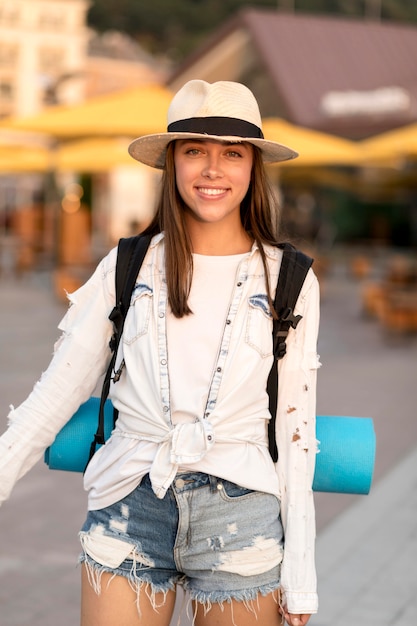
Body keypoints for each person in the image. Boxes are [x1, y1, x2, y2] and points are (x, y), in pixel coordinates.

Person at [0, 80, 320, 626]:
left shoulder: (289, 279)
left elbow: (296, 432)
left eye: (232, 154)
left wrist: (303, 578)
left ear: (252, 168)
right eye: (195, 150)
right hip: (129, 504)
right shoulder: (128, 266)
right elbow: (57, 391)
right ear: (171, 163)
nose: (212, 169)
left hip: (242, 514)